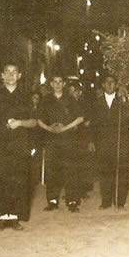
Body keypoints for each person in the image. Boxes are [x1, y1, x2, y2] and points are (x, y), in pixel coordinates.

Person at [0, 63, 37, 231]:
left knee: (18, 179)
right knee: (0, 179)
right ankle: (2, 217)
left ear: (19, 76)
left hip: (19, 143)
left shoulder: (25, 96)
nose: (10, 75)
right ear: (2, 75)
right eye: (7, 72)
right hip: (0, 142)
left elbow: (34, 122)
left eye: (14, 72)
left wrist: (19, 123)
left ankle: (15, 217)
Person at [88, 75, 129, 209]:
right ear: (103, 85)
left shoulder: (122, 102)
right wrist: (91, 141)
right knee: (105, 173)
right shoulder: (96, 103)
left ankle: (120, 202)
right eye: (107, 82)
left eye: (112, 82)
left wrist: (127, 104)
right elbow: (93, 124)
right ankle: (106, 201)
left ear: (116, 85)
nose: (109, 85)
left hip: (120, 142)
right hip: (102, 142)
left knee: (121, 173)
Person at [38, 75, 84, 212]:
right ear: (51, 84)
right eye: (55, 82)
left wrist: (65, 128)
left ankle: (72, 201)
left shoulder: (70, 99)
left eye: (60, 81)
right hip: (51, 140)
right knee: (52, 170)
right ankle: (52, 200)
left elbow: (80, 118)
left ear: (64, 84)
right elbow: (38, 119)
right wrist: (49, 128)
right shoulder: (46, 100)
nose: (57, 84)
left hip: (68, 139)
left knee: (70, 170)